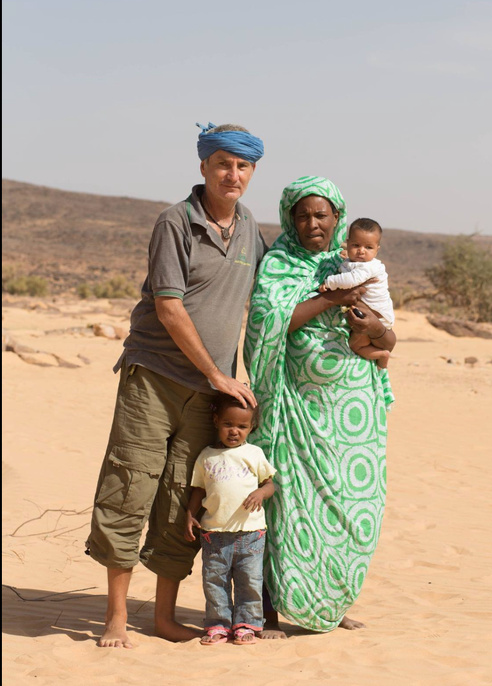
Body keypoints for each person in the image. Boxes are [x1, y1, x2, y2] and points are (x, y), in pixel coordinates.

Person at [85, 122, 266, 648]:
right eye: (223, 164)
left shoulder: (252, 228)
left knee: (183, 499)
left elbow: (269, 294)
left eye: (243, 166)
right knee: (129, 486)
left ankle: (163, 618)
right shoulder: (175, 222)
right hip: (155, 378)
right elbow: (168, 307)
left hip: (209, 395)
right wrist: (217, 373)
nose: (232, 175)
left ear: (252, 172)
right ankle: (116, 616)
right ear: (204, 166)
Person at [243, 176, 395, 637]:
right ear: (291, 219)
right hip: (294, 410)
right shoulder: (279, 265)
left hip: (353, 412)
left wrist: (374, 325)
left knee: (353, 506)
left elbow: (388, 335)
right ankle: (267, 613)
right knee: (284, 505)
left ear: (337, 219)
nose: (313, 223)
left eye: (322, 215)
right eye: (303, 214)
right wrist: (331, 297)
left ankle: (332, 602)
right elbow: (271, 323)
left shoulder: (355, 261)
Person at [184, 393, 276, 646]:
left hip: (251, 534)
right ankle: (218, 625)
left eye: (242, 426)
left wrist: (261, 492)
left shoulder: (254, 453)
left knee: (250, 581)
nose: (234, 431)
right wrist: (191, 516)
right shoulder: (206, 456)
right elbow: (199, 490)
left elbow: (270, 485)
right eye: (228, 424)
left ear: (251, 428)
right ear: (216, 422)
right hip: (214, 534)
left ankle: (247, 624)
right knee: (215, 582)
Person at [319, 217, 395, 369]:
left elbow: (351, 279)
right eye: (356, 245)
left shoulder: (369, 267)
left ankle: (382, 356)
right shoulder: (356, 262)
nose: (361, 251)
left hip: (377, 316)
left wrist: (329, 282)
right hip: (372, 313)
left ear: (377, 250)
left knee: (355, 345)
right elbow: (349, 268)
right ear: (348, 244)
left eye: (368, 247)